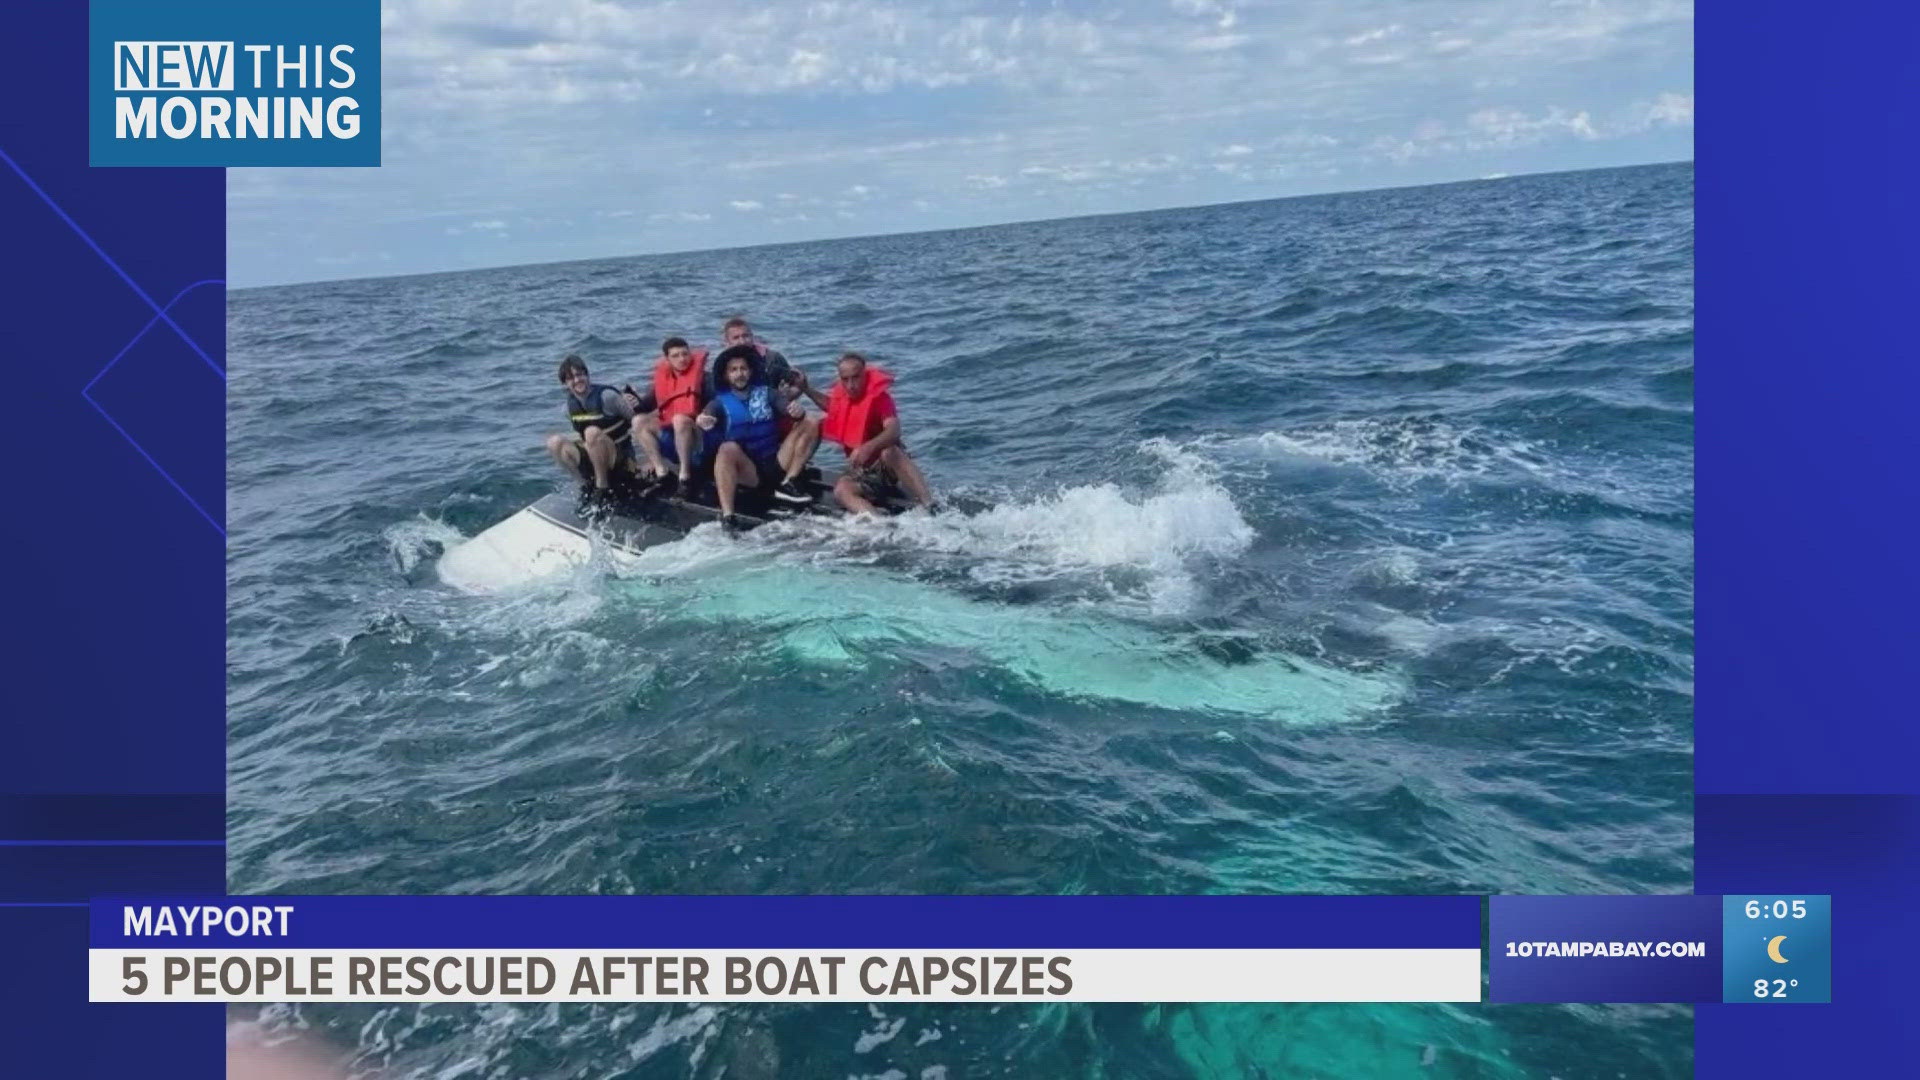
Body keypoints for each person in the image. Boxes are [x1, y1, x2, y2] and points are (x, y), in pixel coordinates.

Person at [697, 345, 822, 530]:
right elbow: (706, 415)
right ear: (726, 375)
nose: (739, 374)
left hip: (777, 462)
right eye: (734, 370)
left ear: (750, 371)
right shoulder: (718, 402)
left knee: (812, 421)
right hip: (749, 472)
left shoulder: (768, 393)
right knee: (726, 449)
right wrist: (702, 420)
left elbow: (785, 406)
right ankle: (728, 516)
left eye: (743, 369)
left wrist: (796, 411)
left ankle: (790, 482)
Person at [799, 351, 934, 513]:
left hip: (887, 467)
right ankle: (879, 524)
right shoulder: (843, 398)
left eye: (855, 378)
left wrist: (867, 447)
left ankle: (930, 504)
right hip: (864, 473)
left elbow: (894, 430)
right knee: (841, 490)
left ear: (865, 375)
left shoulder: (881, 399)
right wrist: (806, 389)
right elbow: (830, 406)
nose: (850, 385)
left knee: (889, 451)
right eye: (845, 380)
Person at [544, 354, 634, 501]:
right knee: (554, 442)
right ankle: (584, 486)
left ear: (587, 374)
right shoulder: (568, 408)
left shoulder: (608, 396)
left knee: (591, 432)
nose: (577, 380)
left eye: (580, 375)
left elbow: (635, 421)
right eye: (571, 378)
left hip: (619, 455)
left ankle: (602, 488)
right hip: (595, 456)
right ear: (565, 383)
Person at [627, 336, 709, 493]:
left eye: (685, 354)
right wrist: (634, 401)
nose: (682, 359)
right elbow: (644, 407)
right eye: (676, 356)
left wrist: (706, 414)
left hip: (699, 441)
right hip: (673, 439)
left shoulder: (705, 378)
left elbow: (717, 405)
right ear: (667, 359)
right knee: (639, 421)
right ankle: (662, 473)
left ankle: (685, 477)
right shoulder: (664, 381)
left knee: (679, 419)